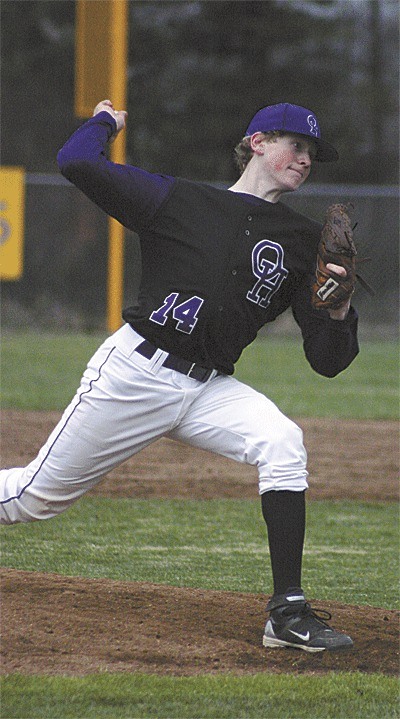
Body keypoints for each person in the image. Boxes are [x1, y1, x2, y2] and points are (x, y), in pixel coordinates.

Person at [0, 101, 358, 653]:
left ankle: (287, 614)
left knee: (282, 441)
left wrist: (338, 310)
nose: (306, 159)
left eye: (313, 153)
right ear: (257, 141)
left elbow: (328, 361)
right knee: (32, 499)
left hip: (207, 388)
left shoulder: (302, 240)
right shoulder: (180, 200)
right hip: (136, 374)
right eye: (295, 144)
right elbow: (75, 162)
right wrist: (104, 122)